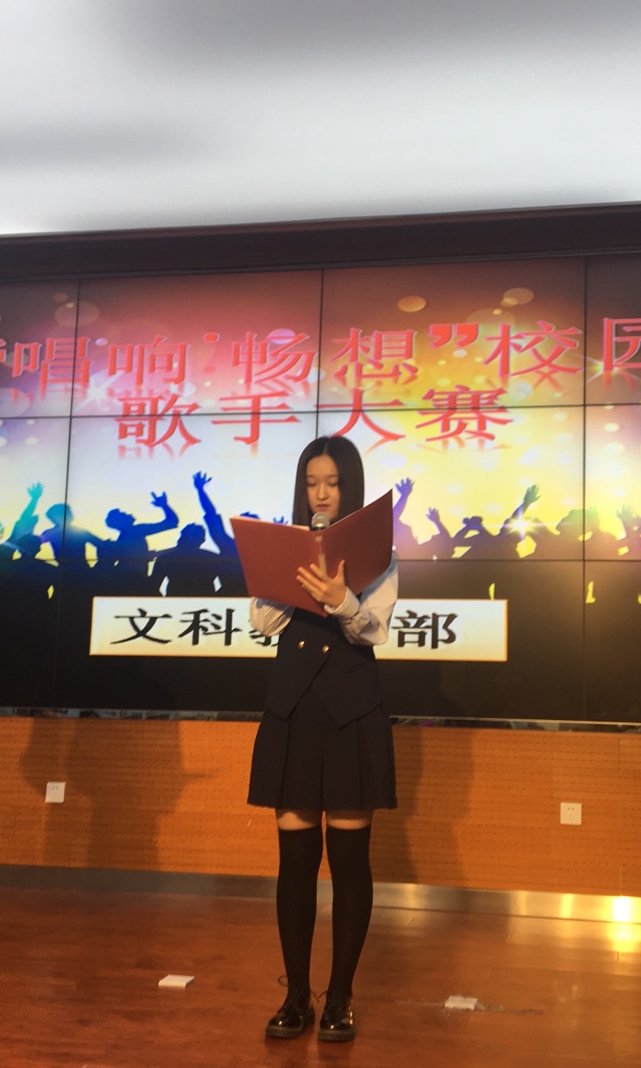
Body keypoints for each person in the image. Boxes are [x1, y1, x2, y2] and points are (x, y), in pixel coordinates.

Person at [247, 435, 398, 1043]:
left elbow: (374, 630)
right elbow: (261, 622)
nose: (321, 493)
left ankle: (340, 997)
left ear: (350, 487)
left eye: (332, 482)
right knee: (295, 864)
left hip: (351, 712)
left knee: (350, 863)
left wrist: (341, 601)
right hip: (295, 709)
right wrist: (290, 583)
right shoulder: (284, 547)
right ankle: (296, 997)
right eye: (312, 483)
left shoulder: (376, 553)